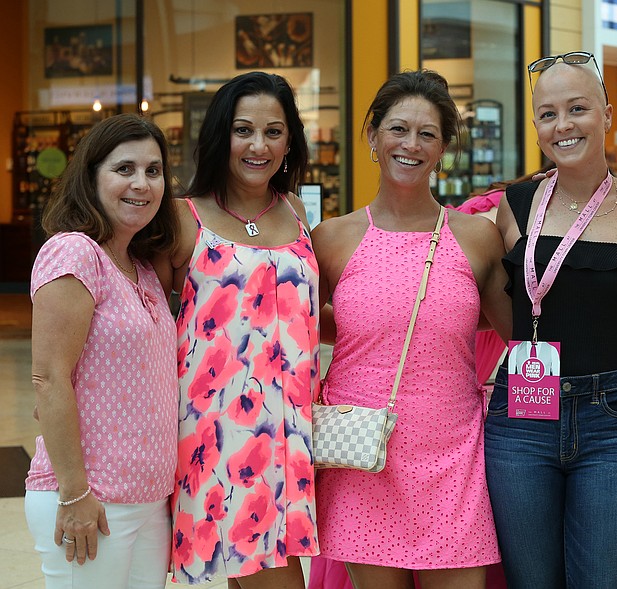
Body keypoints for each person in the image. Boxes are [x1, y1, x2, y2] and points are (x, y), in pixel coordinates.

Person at [312, 69, 511, 589]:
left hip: (455, 457)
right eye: (398, 129)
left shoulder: (476, 239)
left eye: (427, 134)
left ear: (443, 147)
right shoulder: (331, 239)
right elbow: (301, 328)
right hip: (363, 457)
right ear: (374, 136)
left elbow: (527, 334)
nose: (411, 144)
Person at [485, 51, 617, 588]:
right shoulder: (512, 207)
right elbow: (502, 311)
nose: (563, 125)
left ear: (608, 113)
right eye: (547, 114)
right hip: (521, 420)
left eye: (578, 108)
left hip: (615, 422)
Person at [161, 72, 319, 587]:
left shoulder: (296, 212)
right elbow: (150, 323)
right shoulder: (184, 218)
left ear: (290, 141)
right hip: (219, 432)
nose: (259, 145)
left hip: (291, 428)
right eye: (243, 130)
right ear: (219, 136)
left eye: (274, 132)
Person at [25, 113, 179, 589]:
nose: (142, 183)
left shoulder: (141, 268)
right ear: (91, 177)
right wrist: (74, 494)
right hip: (91, 499)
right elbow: (48, 378)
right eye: (124, 169)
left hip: (148, 500)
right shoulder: (74, 252)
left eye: (154, 171)